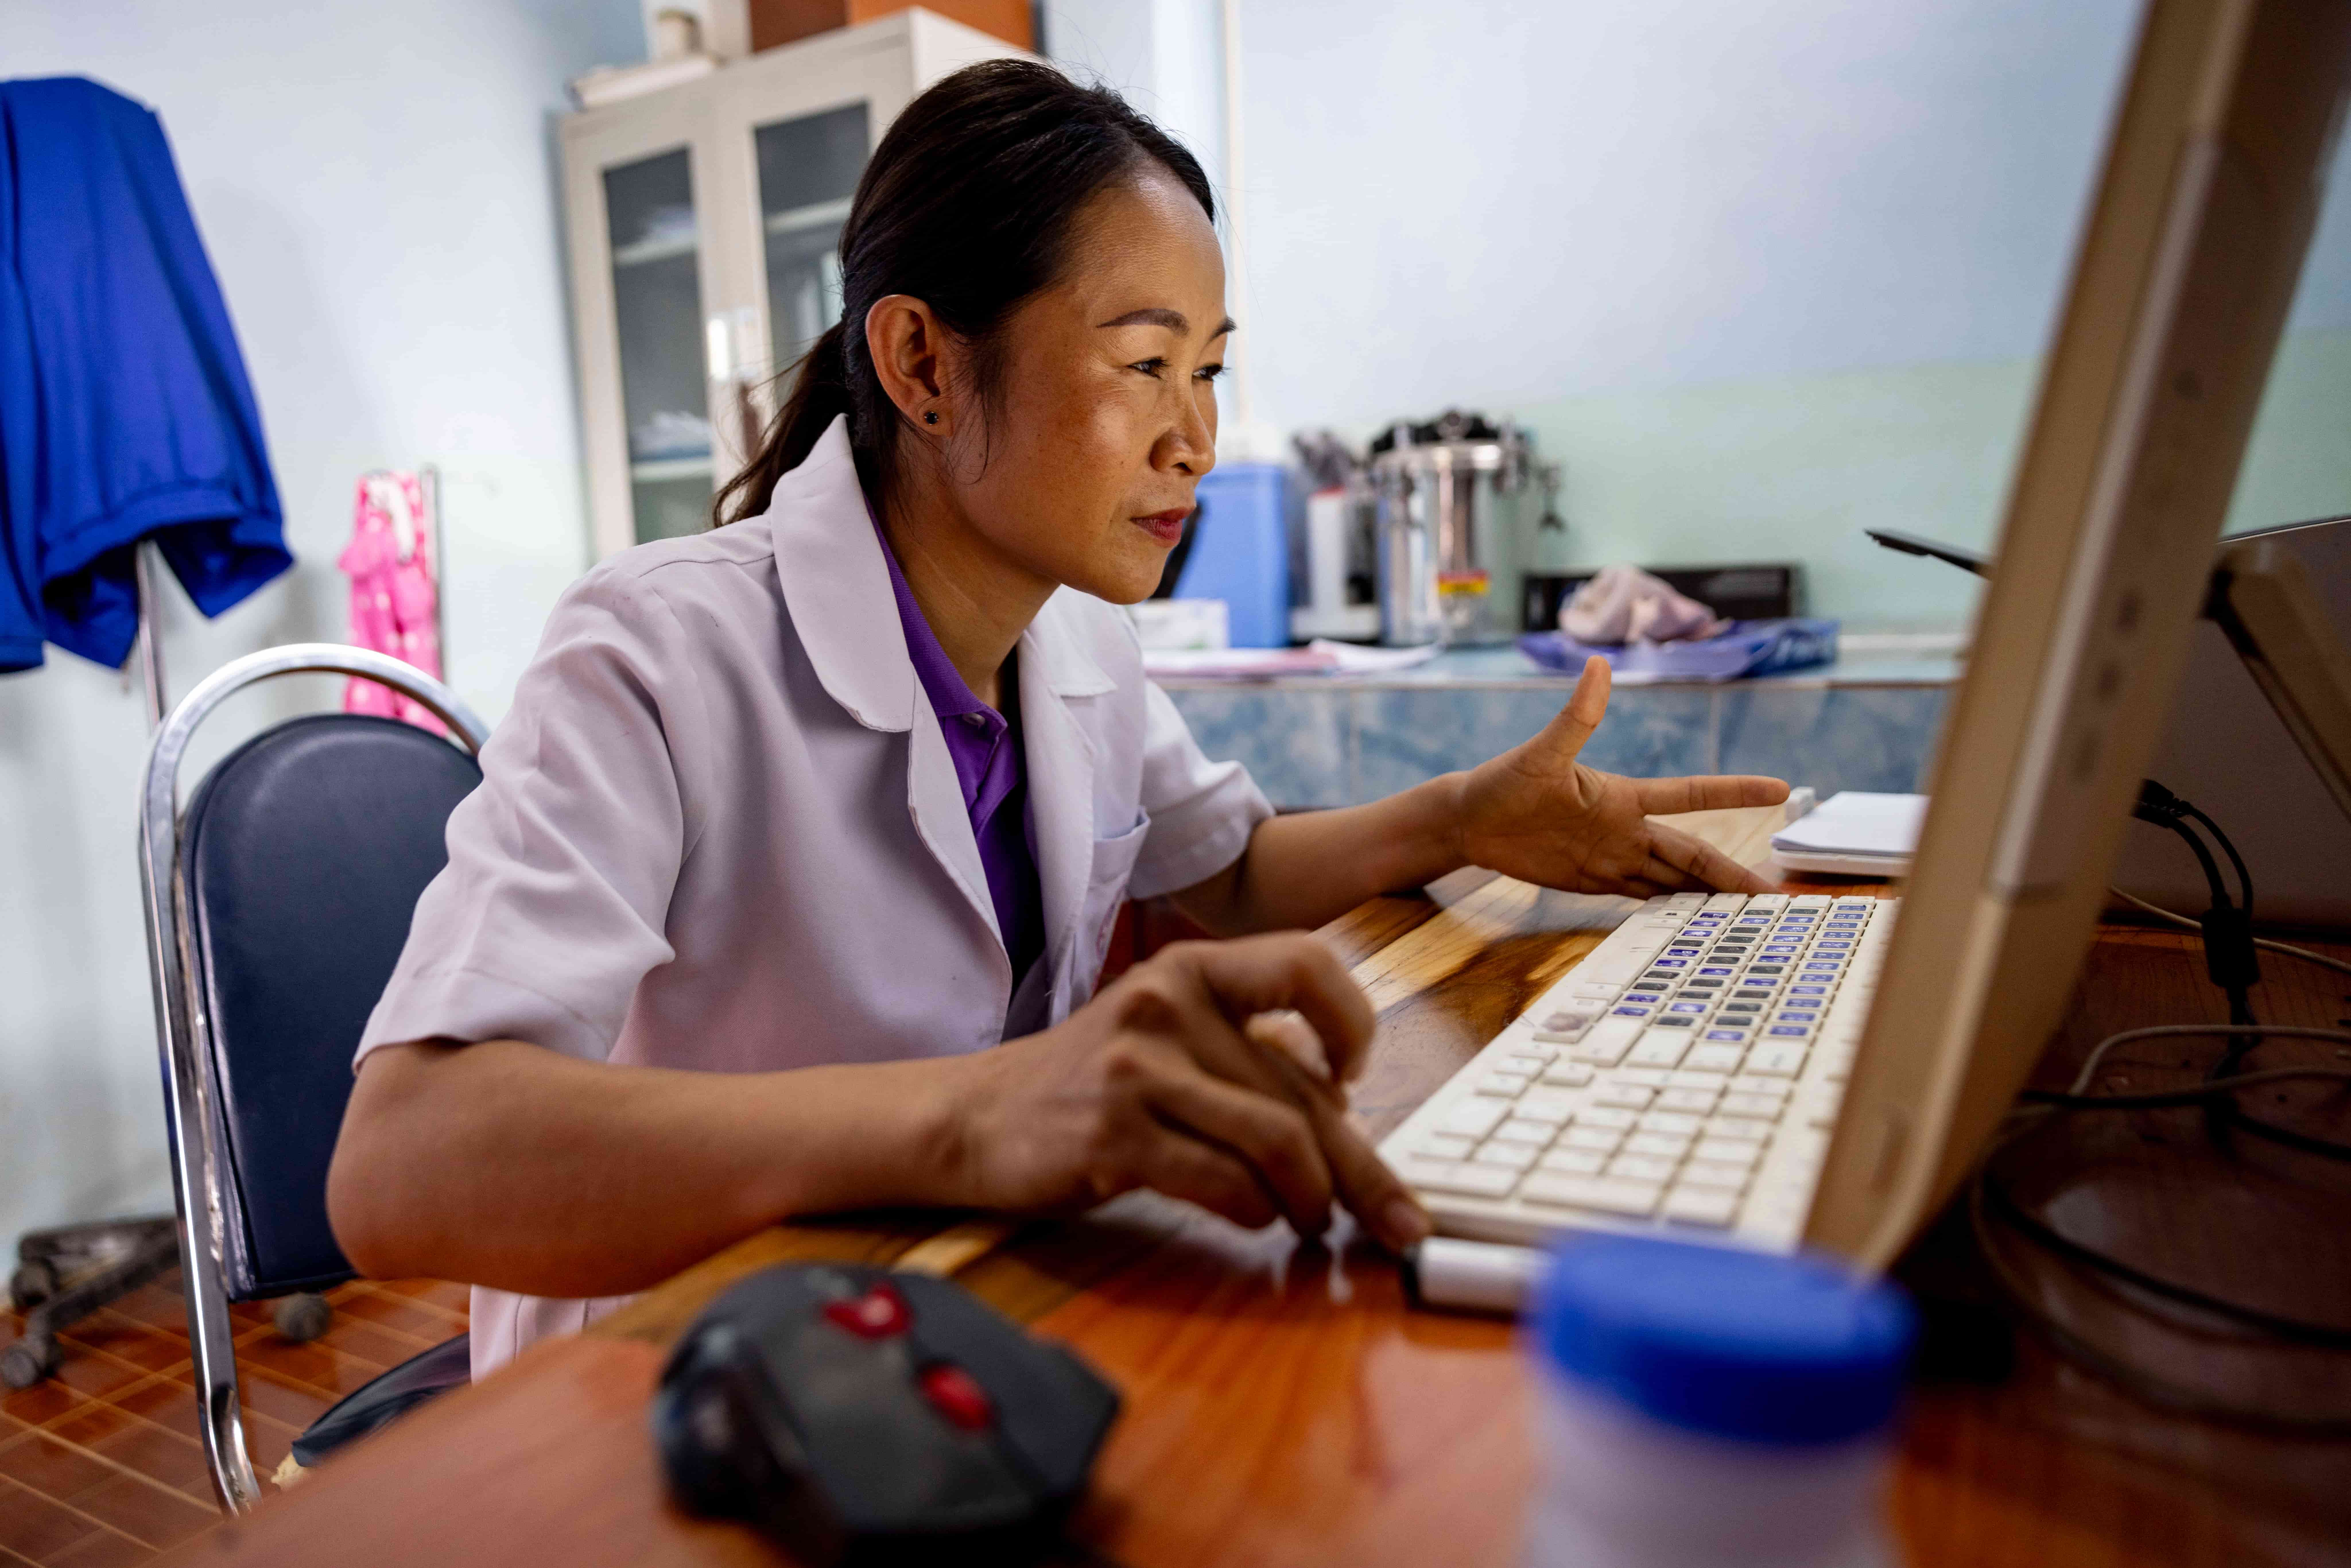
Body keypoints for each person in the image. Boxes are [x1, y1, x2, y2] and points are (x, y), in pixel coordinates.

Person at [327, 61, 1786, 1377]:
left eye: (1208, 371)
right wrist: (981, 1113)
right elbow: (404, 1167)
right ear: (921, 365)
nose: (1197, 440)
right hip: (664, 1388)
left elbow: (1222, 868)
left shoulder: (1071, 630)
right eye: (1144, 363)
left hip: (931, 1333)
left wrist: (1462, 819)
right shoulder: (657, 647)